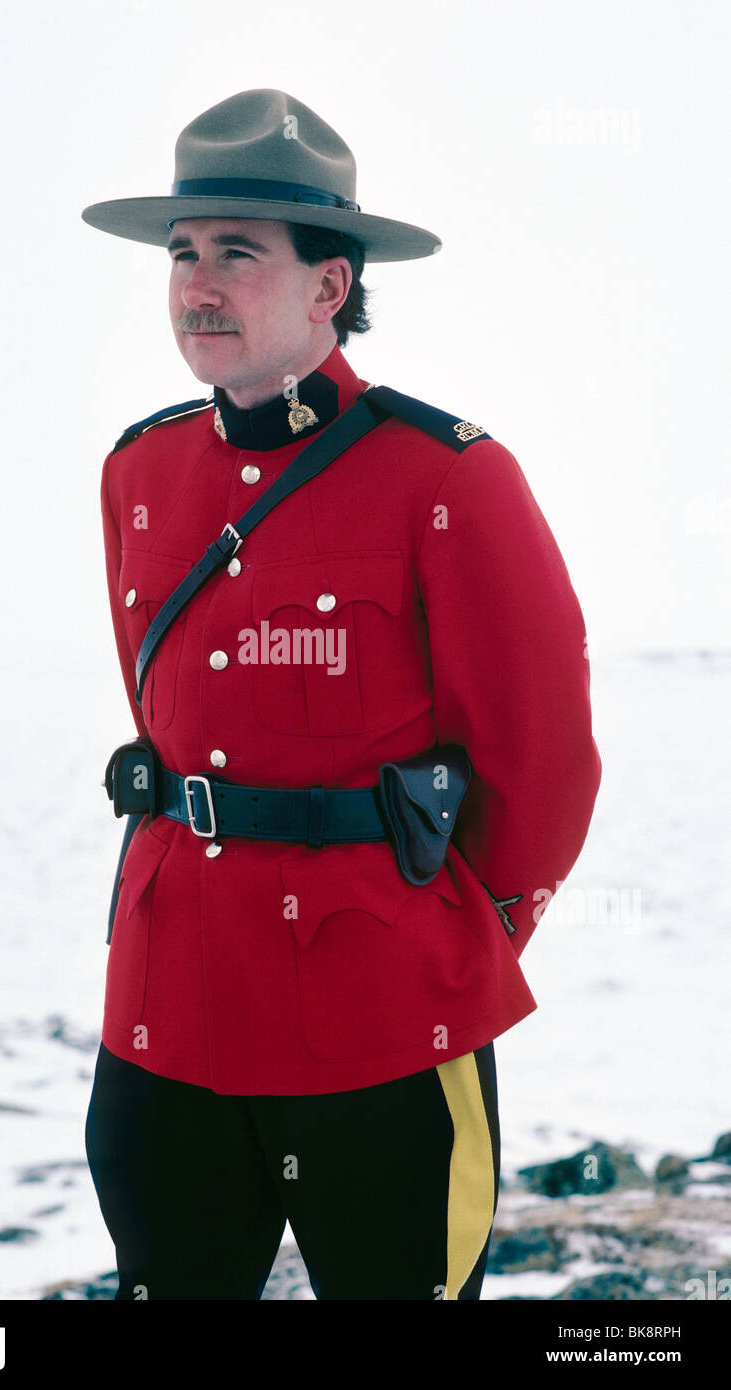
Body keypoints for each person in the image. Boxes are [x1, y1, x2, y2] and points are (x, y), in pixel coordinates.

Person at [80, 88, 602, 1300]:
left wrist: (452, 943)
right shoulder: (139, 470)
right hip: (165, 1011)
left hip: (377, 1016)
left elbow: (540, 767)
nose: (197, 284)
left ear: (329, 285)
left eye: (238, 255)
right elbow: (171, 729)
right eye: (183, 254)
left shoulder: (445, 480)